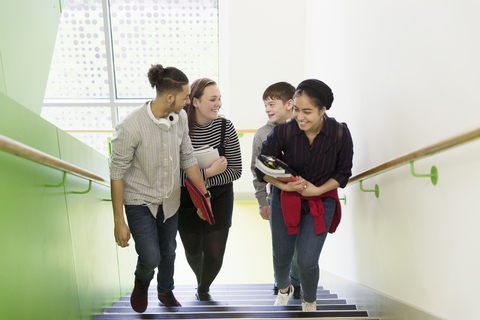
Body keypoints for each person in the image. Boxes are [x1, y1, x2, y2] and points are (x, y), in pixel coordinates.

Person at [110, 64, 211, 313]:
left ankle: (165, 291)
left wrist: (204, 198)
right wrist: (118, 221)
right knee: (151, 257)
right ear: (169, 97)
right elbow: (116, 173)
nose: (188, 101)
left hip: (170, 198)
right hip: (139, 200)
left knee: (168, 252)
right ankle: (141, 282)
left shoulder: (181, 118)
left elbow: (188, 158)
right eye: (185, 96)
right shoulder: (131, 126)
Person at [255, 79, 353, 312]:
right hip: (284, 198)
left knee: (308, 261)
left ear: (322, 110)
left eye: (307, 111)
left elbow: (343, 172)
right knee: (282, 256)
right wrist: (286, 187)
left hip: (322, 200)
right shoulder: (284, 131)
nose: (300, 116)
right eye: (297, 109)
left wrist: (318, 190)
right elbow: (262, 167)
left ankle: (309, 300)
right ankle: (283, 288)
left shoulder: (339, 134)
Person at [179, 78, 242, 301]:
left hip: (220, 196)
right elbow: (172, 175)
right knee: (193, 250)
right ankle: (200, 278)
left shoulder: (226, 126)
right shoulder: (179, 127)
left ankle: (203, 287)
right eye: (213, 99)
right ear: (195, 102)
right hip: (186, 197)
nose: (218, 104)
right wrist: (209, 173)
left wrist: (202, 181)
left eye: (220, 99)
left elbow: (236, 170)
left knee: (215, 254)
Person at [250, 81, 302, 299]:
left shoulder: (304, 128)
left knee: (300, 249)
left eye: (272, 104)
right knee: (280, 245)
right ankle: (281, 282)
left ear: (290, 103)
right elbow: (257, 170)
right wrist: (262, 201)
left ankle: (296, 282)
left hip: (306, 197)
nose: (267, 109)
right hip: (277, 198)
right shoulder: (262, 134)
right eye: (265, 105)